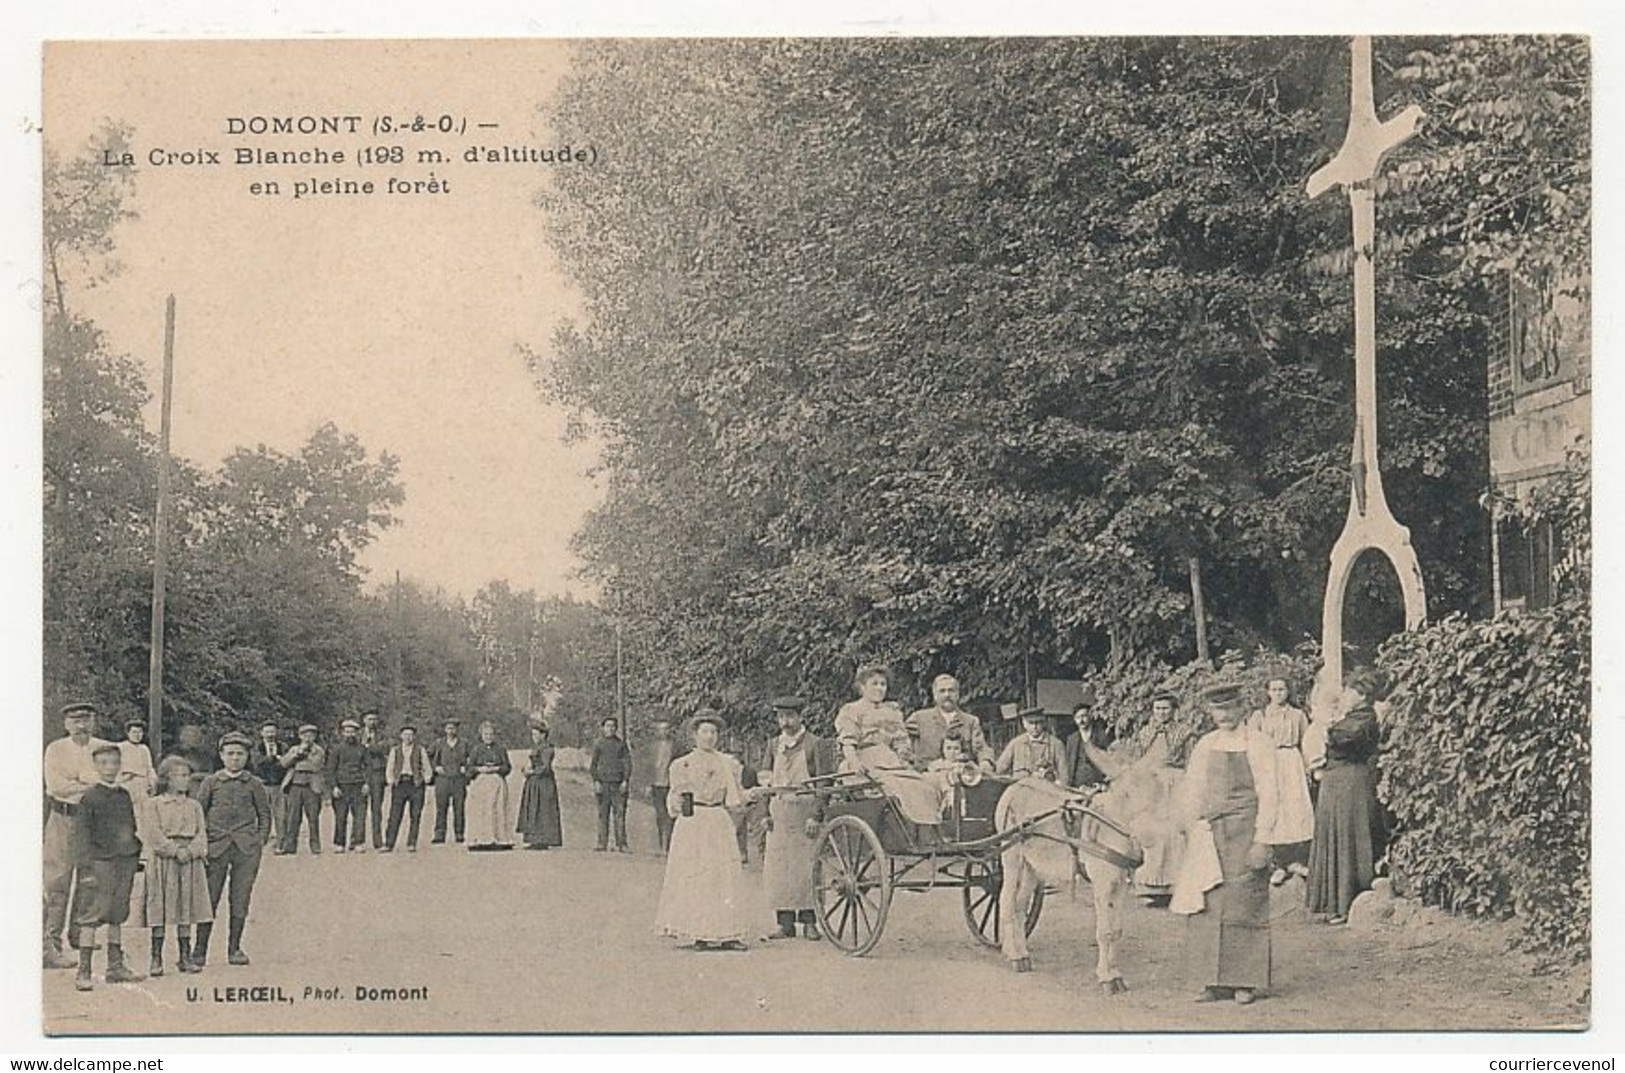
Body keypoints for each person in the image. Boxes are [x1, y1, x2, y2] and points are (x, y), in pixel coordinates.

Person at [1178, 682, 1278, 1005]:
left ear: (1241, 708)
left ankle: (1244, 981)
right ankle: (1210, 981)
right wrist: (1191, 824)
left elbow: (1270, 793)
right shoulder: (1205, 745)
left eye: (1229, 708)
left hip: (1246, 830)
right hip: (1211, 832)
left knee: (1244, 902)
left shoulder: (1258, 743)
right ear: (1211, 712)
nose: (1224, 715)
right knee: (1208, 902)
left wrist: (1263, 839)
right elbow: (1193, 789)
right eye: (1218, 710)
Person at [655, 710, 748, 950]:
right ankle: (698, 932)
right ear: (695, 735)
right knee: (697, 874)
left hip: (717, 820)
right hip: (693, 821)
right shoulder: (682, 765)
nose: (709, 737)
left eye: (714, 732)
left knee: (722, 876)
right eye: (704, 731)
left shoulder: (728, 764)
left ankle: (728, 933)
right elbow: (674, 796)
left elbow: (735, 796)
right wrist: (676, 803)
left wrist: (751, 795)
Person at [1306, 667, 1388, 925]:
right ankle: (1332, 902)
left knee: (1348, 837)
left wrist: (1328, 727)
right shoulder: (1351, 716)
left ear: (1362, 695)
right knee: (1334, 835)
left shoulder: (1364, 718)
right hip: (1337, 782)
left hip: (1351, 783)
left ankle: (1346, 902)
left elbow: (1342, 737)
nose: (1345, 694)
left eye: (1350, 691)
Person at [193, 731, 272, 968]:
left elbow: (265, 815)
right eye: (230, 754)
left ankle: (234, 948)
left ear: (247, 756)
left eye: (240, 754)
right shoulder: (211, 782)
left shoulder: (254, 784)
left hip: (246, 849)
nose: (235, 758)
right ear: (222, 756)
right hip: (216, 848)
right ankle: (200, 950)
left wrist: (259, 840)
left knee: (240, 898)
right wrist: (203, 843)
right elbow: (198, 813)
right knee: (209, 898)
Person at [71, 742, 146, 990]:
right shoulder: (89, 797)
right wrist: (87, 868)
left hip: (124, 860)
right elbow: (81, 835)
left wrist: (134, 852)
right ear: (95, 766)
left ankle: (115, 967)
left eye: (114, 762)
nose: (109, 768)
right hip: (99, 862)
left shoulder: (124, 795)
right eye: (103, 763)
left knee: (117, 912)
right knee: (93, 914)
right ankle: (84, 971)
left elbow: (131, 826)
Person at [756, 696, 831, 940]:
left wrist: (816, 816)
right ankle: (784, 923)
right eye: (781, 717)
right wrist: (765, 813)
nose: (785, 722)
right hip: (780, 811)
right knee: (780, 868)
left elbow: (824, 783)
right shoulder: (772, 744)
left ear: (800, 717)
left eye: (790, 716)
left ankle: (810, 922)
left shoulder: (814, 744)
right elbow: (765, 779)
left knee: (808, 866)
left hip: (805, 811)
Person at [43, 702, 109, 969]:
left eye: (86, 719)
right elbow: (56, 785)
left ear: (94, 721)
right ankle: (50, 945)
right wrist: (88, 782)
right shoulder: (56, 749)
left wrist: (81, 782)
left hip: (93, 821)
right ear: (66, 724)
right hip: (63, 817)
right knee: (57, 880)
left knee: (89, 879)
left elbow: (110, 783)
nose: (81, 725)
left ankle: (80, 935)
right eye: (75, 720)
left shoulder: (103, 747)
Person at [834, 664, 940, 825]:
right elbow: (847, 740)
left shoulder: (892, 711)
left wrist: (904, 758)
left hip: (890, 762)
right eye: (874, 684)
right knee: (894, 787)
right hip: (864, 763)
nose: (879, 688)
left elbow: (901, 740)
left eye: (883, 684)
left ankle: (924, 829)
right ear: (862, 687)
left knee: (924, 785)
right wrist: (854, 762)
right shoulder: (851, 710)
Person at [135, 755, 211, 976]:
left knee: (186, 906)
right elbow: (152, 834)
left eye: (188, 776)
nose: (185, 780)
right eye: (180, 776)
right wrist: (174, 850)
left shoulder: (194, 805)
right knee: (159, 906)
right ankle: (156, 957)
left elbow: (201, 834)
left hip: (189, 860)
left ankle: (184, 956)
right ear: (167, 778)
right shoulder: (153, 804)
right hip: (164, 860)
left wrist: (191, 850)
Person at [1247, 678, 1315, 885]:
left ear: (1288, 691)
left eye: (1282, 689)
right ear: (1267, 692)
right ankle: (1278, 864)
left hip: (1292, 762)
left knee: (1295, 810)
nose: (1278, 693)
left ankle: (1296, 860)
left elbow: (1307, 742)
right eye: (1274, 689)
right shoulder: (1260, 716)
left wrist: (1307, 769)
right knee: (1273, 811)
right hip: (1269, 764)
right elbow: (1251, 744)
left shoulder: (1297, 715)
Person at [1134, 691, 1186, 903]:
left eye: (1165, 708)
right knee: (1151, 830)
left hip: (1176, 782)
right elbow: (1139, 761)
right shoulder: (1145, 733)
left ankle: (1177, 884)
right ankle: (1150, 886)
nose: (1161, 713)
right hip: (1151, 785)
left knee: (1175, 832)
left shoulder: (1184, 732)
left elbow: (1191, 761)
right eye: (1157, 708)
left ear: (1173, 710)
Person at [907, 674, 995, 772]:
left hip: (961, 776)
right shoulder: (919, 719)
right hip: (928, 777)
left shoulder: (970, 721)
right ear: (935, 695)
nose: (947, 695)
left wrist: (985, 762)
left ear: (957, 694)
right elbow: (902, 745)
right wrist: (921, 765)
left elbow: (982, 748)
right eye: (942, 691)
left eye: (951, 690)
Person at [382, 725, 434, 853]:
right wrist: (390, 780)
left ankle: (411, 843)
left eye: (410, 735)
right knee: (395, 815)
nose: (408, 737)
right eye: (405, 734)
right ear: (401, 736)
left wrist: (426, 779)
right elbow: (390, 766)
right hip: (400, 784)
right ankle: (389, 843)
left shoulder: (420, 750)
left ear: (414, 737)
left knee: (415, 814)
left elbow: (426, 766)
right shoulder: (395, 750)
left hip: (415, 784)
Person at [465, 720, 514, 851]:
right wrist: (479, 769)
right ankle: (481, 839)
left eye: (491, 734)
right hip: (481, 784)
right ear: (481, 735)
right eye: (486, 734)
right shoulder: (476, 749)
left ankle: (499, 839)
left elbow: (508, 767)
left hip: (496, 783)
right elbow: (469, 768)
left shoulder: (500, 749)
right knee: (481, 810)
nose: (489, 737)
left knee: (497, 809)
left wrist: (497, 768)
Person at [278, 724, 326, 855]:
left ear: (315, 737)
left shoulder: (319, 750)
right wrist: (297, 755)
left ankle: (315, 846)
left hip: (312, 786)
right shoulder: (294, 749)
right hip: (295, 785)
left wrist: (301, 758)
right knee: (292, 817)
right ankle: (290, 846)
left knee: (313, 817)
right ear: (300, 736)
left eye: (310, 735)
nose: (307, 738)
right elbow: (283, 763)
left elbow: (316, 766)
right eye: (305, 735)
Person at [324, 718, 369, 853]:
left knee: (360, 816)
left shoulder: (362, 749)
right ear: (342, 733)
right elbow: (330, 769)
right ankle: (339, 843)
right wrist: (334, 787)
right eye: (347, 732)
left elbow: (368, 767)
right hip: (342, 786)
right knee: (340, 816)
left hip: (358, 785)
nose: (350, 734)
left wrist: (367, 783)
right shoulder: (336, 749)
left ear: (357, 733)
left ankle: (358, 842)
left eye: (352, 732)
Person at [516, 722, 563, 850]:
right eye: (533, 734)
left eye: (536, 734)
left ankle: (544, 840)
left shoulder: (547, 748)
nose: (534, 737)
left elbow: (546, 767)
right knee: (533, 809)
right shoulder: (537, 747)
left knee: (543, 810)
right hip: (534, 782)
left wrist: (532, 772)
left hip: (544, 782)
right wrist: (526, 769)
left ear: (543, 735)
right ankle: (534, 840)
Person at [590, 717, 632, 852]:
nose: (610, 728)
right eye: (608, 726)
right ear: (603, 728)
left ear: (616, 728)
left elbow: (627, 763)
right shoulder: (598, 744)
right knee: (603, 814)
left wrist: (625, 780)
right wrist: (596, 781)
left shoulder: (621, 745)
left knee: (619, 815)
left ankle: (622, 844)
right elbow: (593, 765)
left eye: (613, 726)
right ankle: (602, 843)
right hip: (603, 785)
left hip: (618, 785)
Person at [996, 708, 1068, 784]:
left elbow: (1064, 778)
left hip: (1046, 793)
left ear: (1043, 723)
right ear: (1024, 724)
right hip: (1021, 792)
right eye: (1031, 723)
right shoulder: (1016, 744)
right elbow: (998, 770)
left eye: (1038, 723)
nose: (1034, 727)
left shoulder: (1056, 744)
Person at [429, 718, 471, 845]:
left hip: (459, 779)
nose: (451, 731)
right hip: (443, 780)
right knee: (441, 807)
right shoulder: (438, 743)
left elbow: (473, 758)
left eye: (453, 728)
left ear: (457, 729)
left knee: (459, 807)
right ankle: (439, 834)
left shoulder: (464, 743)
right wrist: (435, 767)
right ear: (444, 730)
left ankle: (459, 833)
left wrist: (466, 768)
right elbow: (427, 757)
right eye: (448, 728)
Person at [1064, 694, 1115, 792]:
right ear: (1075, 720)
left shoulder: (1102, 736)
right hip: (1077, 786)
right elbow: (1068, 762)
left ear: (1090, 716)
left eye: (1084, 716)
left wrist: (1105, 783)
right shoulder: (1072, 739)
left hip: (1098, 785)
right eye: (1078, 717)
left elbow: (1110, 760)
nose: (1081, 720)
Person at [254, 723, 288, 851]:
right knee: (262, 814)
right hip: (262, 784)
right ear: (261, 733)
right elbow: (256, 762)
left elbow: (287, 762)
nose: (270, 735)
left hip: (278, 785)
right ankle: (261, 842)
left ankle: (280, 844)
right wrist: (273, 758)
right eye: (267, 732)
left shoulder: (283, 746)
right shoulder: (257, 747)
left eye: (272, 732)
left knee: (281, 815)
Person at [359, 711, 391, 850]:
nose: (372, 722)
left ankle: (377, 840)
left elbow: (383, 749)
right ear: (364, 720)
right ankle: (358, 839)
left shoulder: (382, 735)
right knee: (359, 808)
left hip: (377, 773)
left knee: (376, 808)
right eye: (369, 719)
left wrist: (368, 747)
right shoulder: (358, 734)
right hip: (360, 774)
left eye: (374, 719)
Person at [648, 716, 677, 854]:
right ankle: (662, 845)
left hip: (671, 784)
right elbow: (648, 766)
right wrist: (648, 783)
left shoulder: (676, 746)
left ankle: (669, 845)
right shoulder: (652, 746)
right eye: (661, 729)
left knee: (671, 814)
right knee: (660, 814)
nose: (664, 732)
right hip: (656, 784)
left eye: (666, 729)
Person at [168, 724, 217, 794]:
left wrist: (195, 776)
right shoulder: (175, 753)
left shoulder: (204, 755)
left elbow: (211, 775)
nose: (189, 741)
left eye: (193, 736)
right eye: (187, 736)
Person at [116, 718, 157, 798]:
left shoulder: (144, 749)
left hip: (142, 784)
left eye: (140, 732)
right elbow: (115, 766)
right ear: (128, 733)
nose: (137, 735)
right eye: (134, 732)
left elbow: (149, 768)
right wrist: (120, 781)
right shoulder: (121, 747)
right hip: (126, 783)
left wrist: (152, 782)